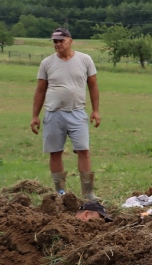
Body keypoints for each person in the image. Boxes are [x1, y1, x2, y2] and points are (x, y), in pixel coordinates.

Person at [30, 28, 102, 201]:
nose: (57, 44)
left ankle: (88, 193)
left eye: (61, 40)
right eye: (55, 41)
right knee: (55, 152)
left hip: (77, 113)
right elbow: (40, 90)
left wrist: (96, 110)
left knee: (83, 150)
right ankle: (60, 192)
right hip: (54, 114)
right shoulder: (47, 63)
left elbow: (93, 85)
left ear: (70, 41)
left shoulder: (85, 60)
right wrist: (35, 116)